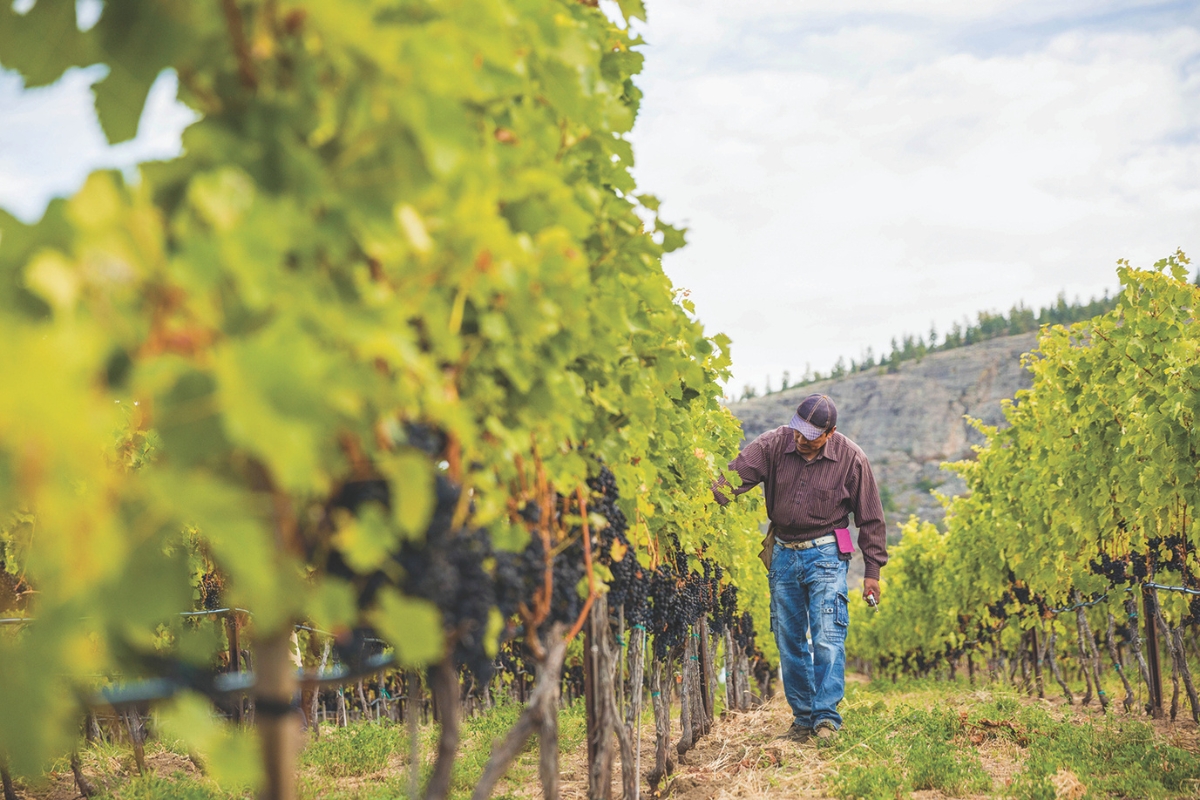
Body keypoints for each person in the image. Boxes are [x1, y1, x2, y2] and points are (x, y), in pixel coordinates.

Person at [714, 393, 887, 742]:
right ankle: (803, 718)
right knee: (789, 639)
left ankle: (826, 719)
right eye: (797, 431)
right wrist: (700, 498)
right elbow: (729, 481)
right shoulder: (774, 444)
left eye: (810, 436)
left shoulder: (852, 459)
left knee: (827, 636)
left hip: (826, 552)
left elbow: (870, 519)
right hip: (782, 552)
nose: (800, 440)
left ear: (830, 432)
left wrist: (872, 573)